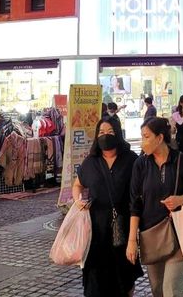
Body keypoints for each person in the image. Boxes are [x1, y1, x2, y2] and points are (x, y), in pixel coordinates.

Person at [127, 118, 183, 297]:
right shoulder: (141, 164)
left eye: (146, 137)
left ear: (160, 138)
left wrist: (182, 199)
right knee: (157, 289)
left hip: (179, 233)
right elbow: (135, 203)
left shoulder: (182, 160)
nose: (142, 141)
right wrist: (132, 240)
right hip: (151, 235)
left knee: (171, 291)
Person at [73, 118, 141, 297]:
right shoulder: (91, 162)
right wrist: (77, 200)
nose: (105, 135)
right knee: (96, 281)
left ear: (118, 133)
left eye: (110, 131)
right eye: (101, 132)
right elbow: (77, 185)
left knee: (125, 278)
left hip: (124, 228)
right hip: (96, 232)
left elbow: (138, 196)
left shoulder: (131, 160)